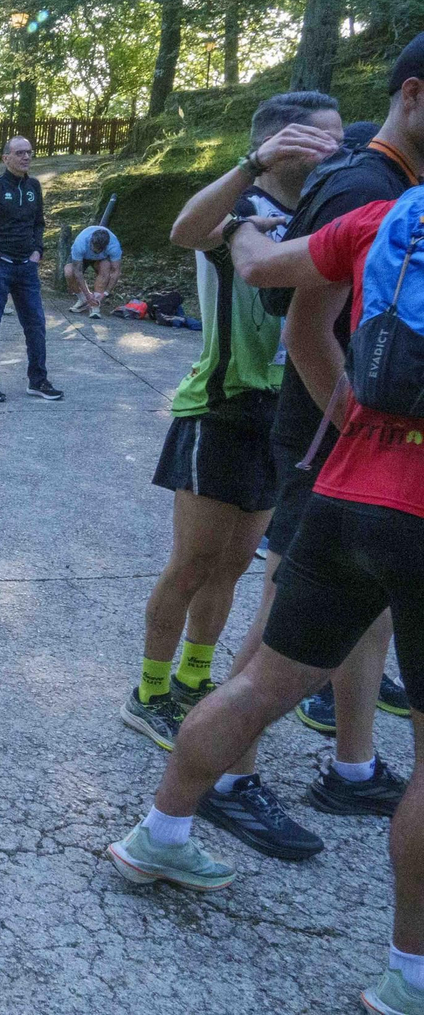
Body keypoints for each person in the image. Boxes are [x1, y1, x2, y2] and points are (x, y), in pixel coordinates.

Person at [107, 135, 424, 1015]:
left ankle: (159, 833)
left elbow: (267, 276)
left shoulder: (390, 217)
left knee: (259, 684)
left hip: (349, 488)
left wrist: (355, 421)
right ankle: (410, 975)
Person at [121, 97, 351, 862]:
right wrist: (251, 164)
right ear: (277, 139)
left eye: (338, 136)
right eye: (317, 135)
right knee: (192, 563)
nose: (333, 147)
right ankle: (149, 693)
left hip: (281, 413)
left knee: (234, 565)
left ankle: (196, 679)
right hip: (217, 409)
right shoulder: (241, 208)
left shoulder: (324, 209)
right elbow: (184, 231)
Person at [0, 136, 63, 402]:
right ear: (5, 158)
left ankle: (38, 380)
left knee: (36, 324)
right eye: (20, 153)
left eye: (29, 152)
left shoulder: (34, 186)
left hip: (27, 269)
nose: (26, 157)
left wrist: (37, 251)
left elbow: (38, 223)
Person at [64, 227, 123, 319]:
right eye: (94, 248)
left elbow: (116, 271)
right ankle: (83, 299)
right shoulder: (80, 244)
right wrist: (87, 295)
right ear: (91, 242)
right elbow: (77, 271)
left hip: (102, 258)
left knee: (106, 267)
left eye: (99, 249)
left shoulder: (114, 246)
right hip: (83, 256)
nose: (96, 251)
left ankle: (95, 302)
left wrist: (106, 293)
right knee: (69, 272)